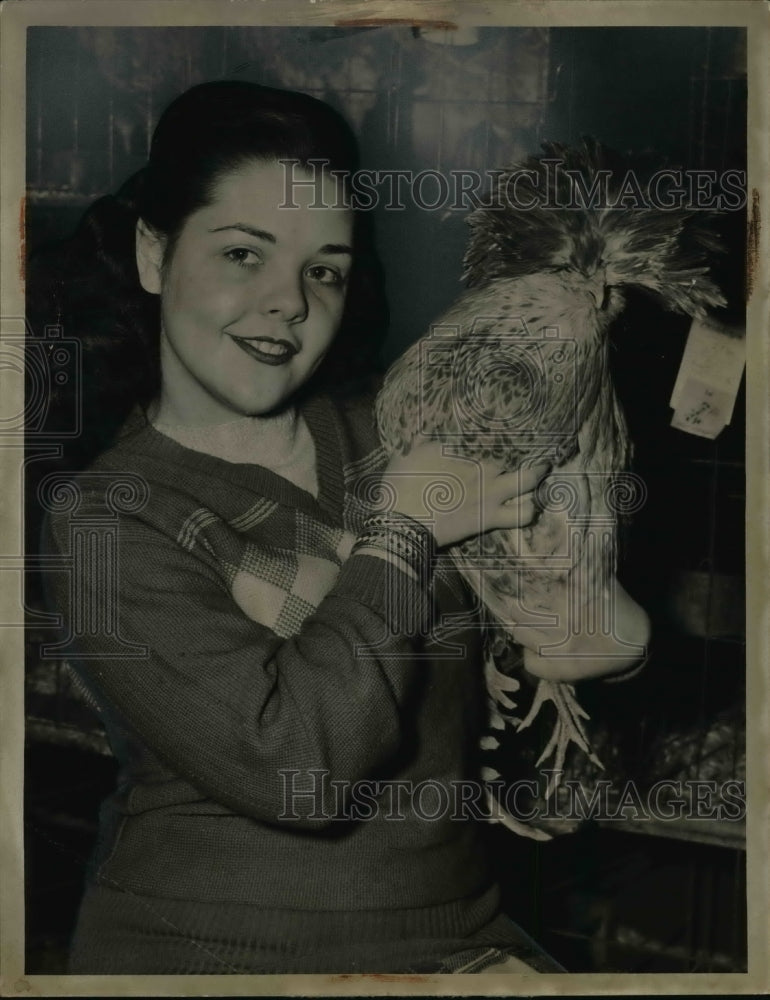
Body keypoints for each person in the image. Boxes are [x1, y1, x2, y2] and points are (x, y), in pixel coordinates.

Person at [33, 80, 562, 975]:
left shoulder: (396, 436)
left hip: (459, 939)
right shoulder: (110, 516)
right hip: (216, 957)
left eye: (324, 270)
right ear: (154, 254)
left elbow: (575, 637)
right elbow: (298, 768)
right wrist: (403, 530)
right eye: (244, 253)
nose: (289, 301)